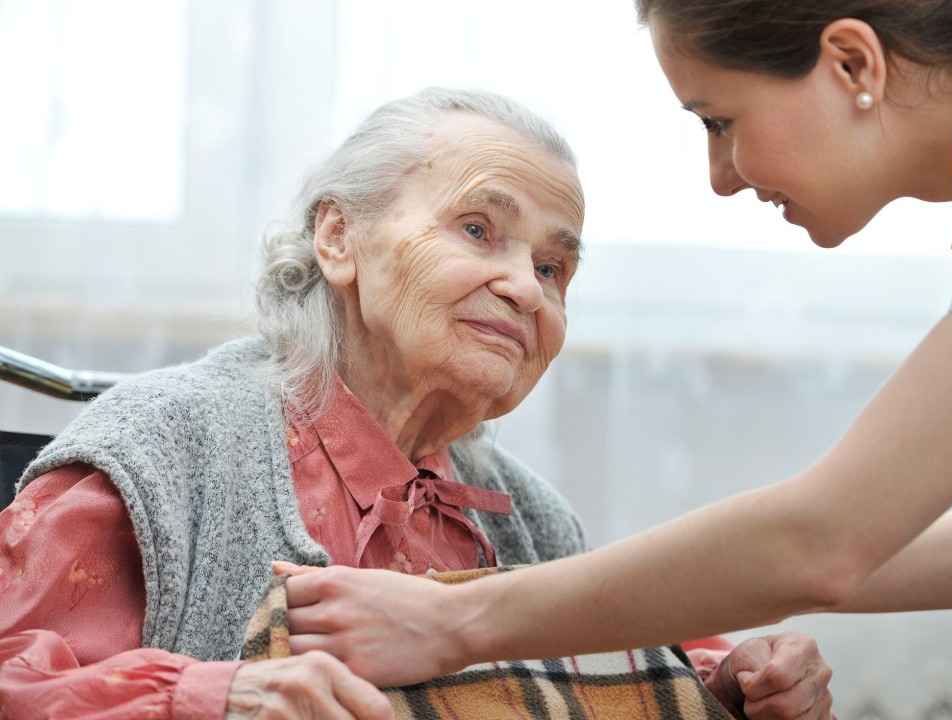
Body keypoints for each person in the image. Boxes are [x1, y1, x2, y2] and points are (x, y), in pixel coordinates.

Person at [275, 0, 952, 694]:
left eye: (719, 120)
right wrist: (675, 616)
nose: (719, 174)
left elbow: (828, 539)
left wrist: (460, 620)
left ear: (851, 61)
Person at [0, 86, 835, 720]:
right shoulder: (168, 447)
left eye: (553, 268)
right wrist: (223, 696)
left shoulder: (531, 519)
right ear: (339, 238)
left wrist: (731, 684)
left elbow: (608, 662)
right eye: (478, 229)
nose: (523, 288)